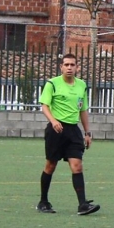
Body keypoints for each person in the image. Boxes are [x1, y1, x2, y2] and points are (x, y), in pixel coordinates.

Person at [37, 53, 100, 215]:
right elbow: (45, 105)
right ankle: (43, 201)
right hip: (56, 130)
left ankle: (82, 205)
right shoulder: (52, 84)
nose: (69, 67)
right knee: (51, 165)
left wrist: (87, 132)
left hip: (73, 131)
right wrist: (53, 121)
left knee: (77, 166)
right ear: (61, 67)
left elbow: (83, 110)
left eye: (72, 65)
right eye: (66, 65)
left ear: (77, 67)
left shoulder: (82, 86)